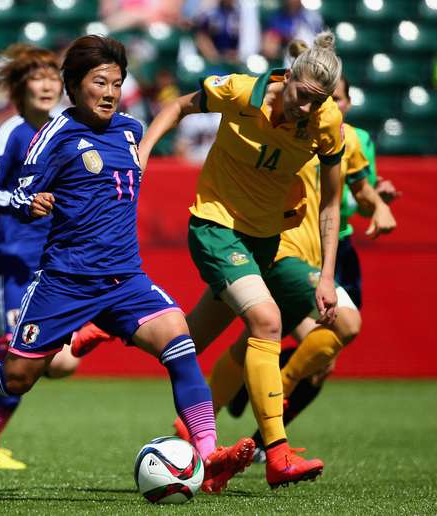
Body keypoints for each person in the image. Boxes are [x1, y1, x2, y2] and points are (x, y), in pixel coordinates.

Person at [0, 35, 255, 494]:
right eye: (99, 82)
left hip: (126, 278)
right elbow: (15, 191)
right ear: (74, 85)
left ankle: (208, 455)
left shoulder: (130, 129)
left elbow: (172, 118)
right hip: (64, 282)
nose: (110, 92)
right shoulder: (54, 135)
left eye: (117, 82)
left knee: (180, 344)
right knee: (16, 378)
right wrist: (26, 202)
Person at [138, 31, 344, 488]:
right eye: (303, 96)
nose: (307, 110)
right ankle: (278, 455)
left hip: (263, 239)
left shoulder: (327, 123)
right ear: (287, 77)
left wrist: (328, 274)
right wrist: (144, 152)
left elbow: (332, 202)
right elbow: (177, 108)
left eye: (319, 101)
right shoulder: (238, 91)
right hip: (214, 225)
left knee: (187, 340)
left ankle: (109, 325)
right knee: (267, 321)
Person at [224, 71, 398, 460]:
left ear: (349, 103)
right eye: (326, 98)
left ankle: (260, 435)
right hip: (289, 246)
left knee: (319, 360)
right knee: (306, 335)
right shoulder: (296, 129)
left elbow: (359, 191)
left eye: (340, 97)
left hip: (335, 252)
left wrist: (379, 202)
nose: (332, 104)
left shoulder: (353, 140)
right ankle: (262, 416)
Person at [0, 43, 79, 470]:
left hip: (55, 264)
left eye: (51, 77)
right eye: (36, 78)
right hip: (11, 262)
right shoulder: (12, 131)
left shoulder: (68, 128)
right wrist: (23, 202)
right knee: (18, 358)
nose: (45, 84)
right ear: (19, 89)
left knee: (60, 366)